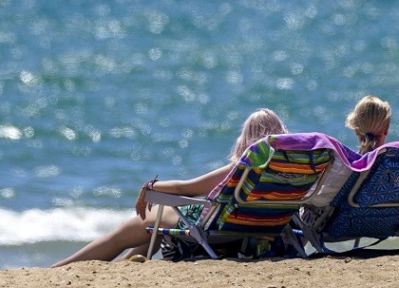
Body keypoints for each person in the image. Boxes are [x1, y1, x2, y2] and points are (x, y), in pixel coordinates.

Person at [51, 108, 289, 266]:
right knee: (155, 221)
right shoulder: (288, 173)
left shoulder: (242, 168)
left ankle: (61, 267)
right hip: (259, 230)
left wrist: (150, 188)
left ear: (246, 138)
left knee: (137, 224)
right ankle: (130, 261)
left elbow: (186, 188)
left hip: (219, 230)